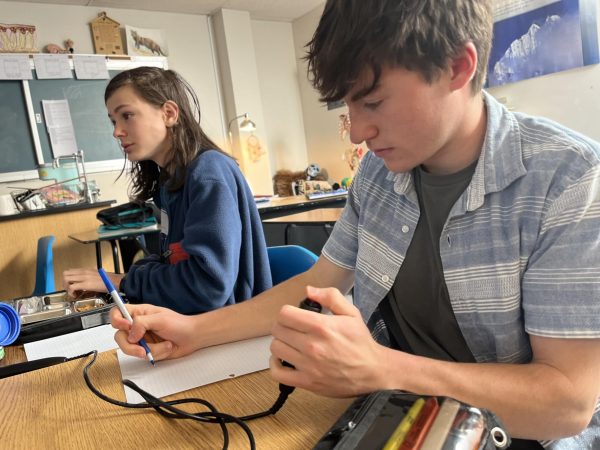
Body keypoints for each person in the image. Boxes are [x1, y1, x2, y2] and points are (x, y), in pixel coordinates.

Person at [110, 2, 600, 448]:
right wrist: (194, 331)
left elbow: (566, 404)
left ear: (457, 66)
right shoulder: (378, 173)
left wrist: (379, 367)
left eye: (373, 102)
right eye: (347, 105)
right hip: (392, 412)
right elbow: (314, 284)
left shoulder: (569, 179)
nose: (359, 131)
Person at [63, 67, 272, 314]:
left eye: (127, 115)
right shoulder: (169, 182)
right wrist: (118, 280)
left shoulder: (208, 173)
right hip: (193, 321)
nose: (116, 131)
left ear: (169, 114)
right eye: (113, 121)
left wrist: (121, 282)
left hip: (228, 330)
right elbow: (169, 258)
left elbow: (206, 288)